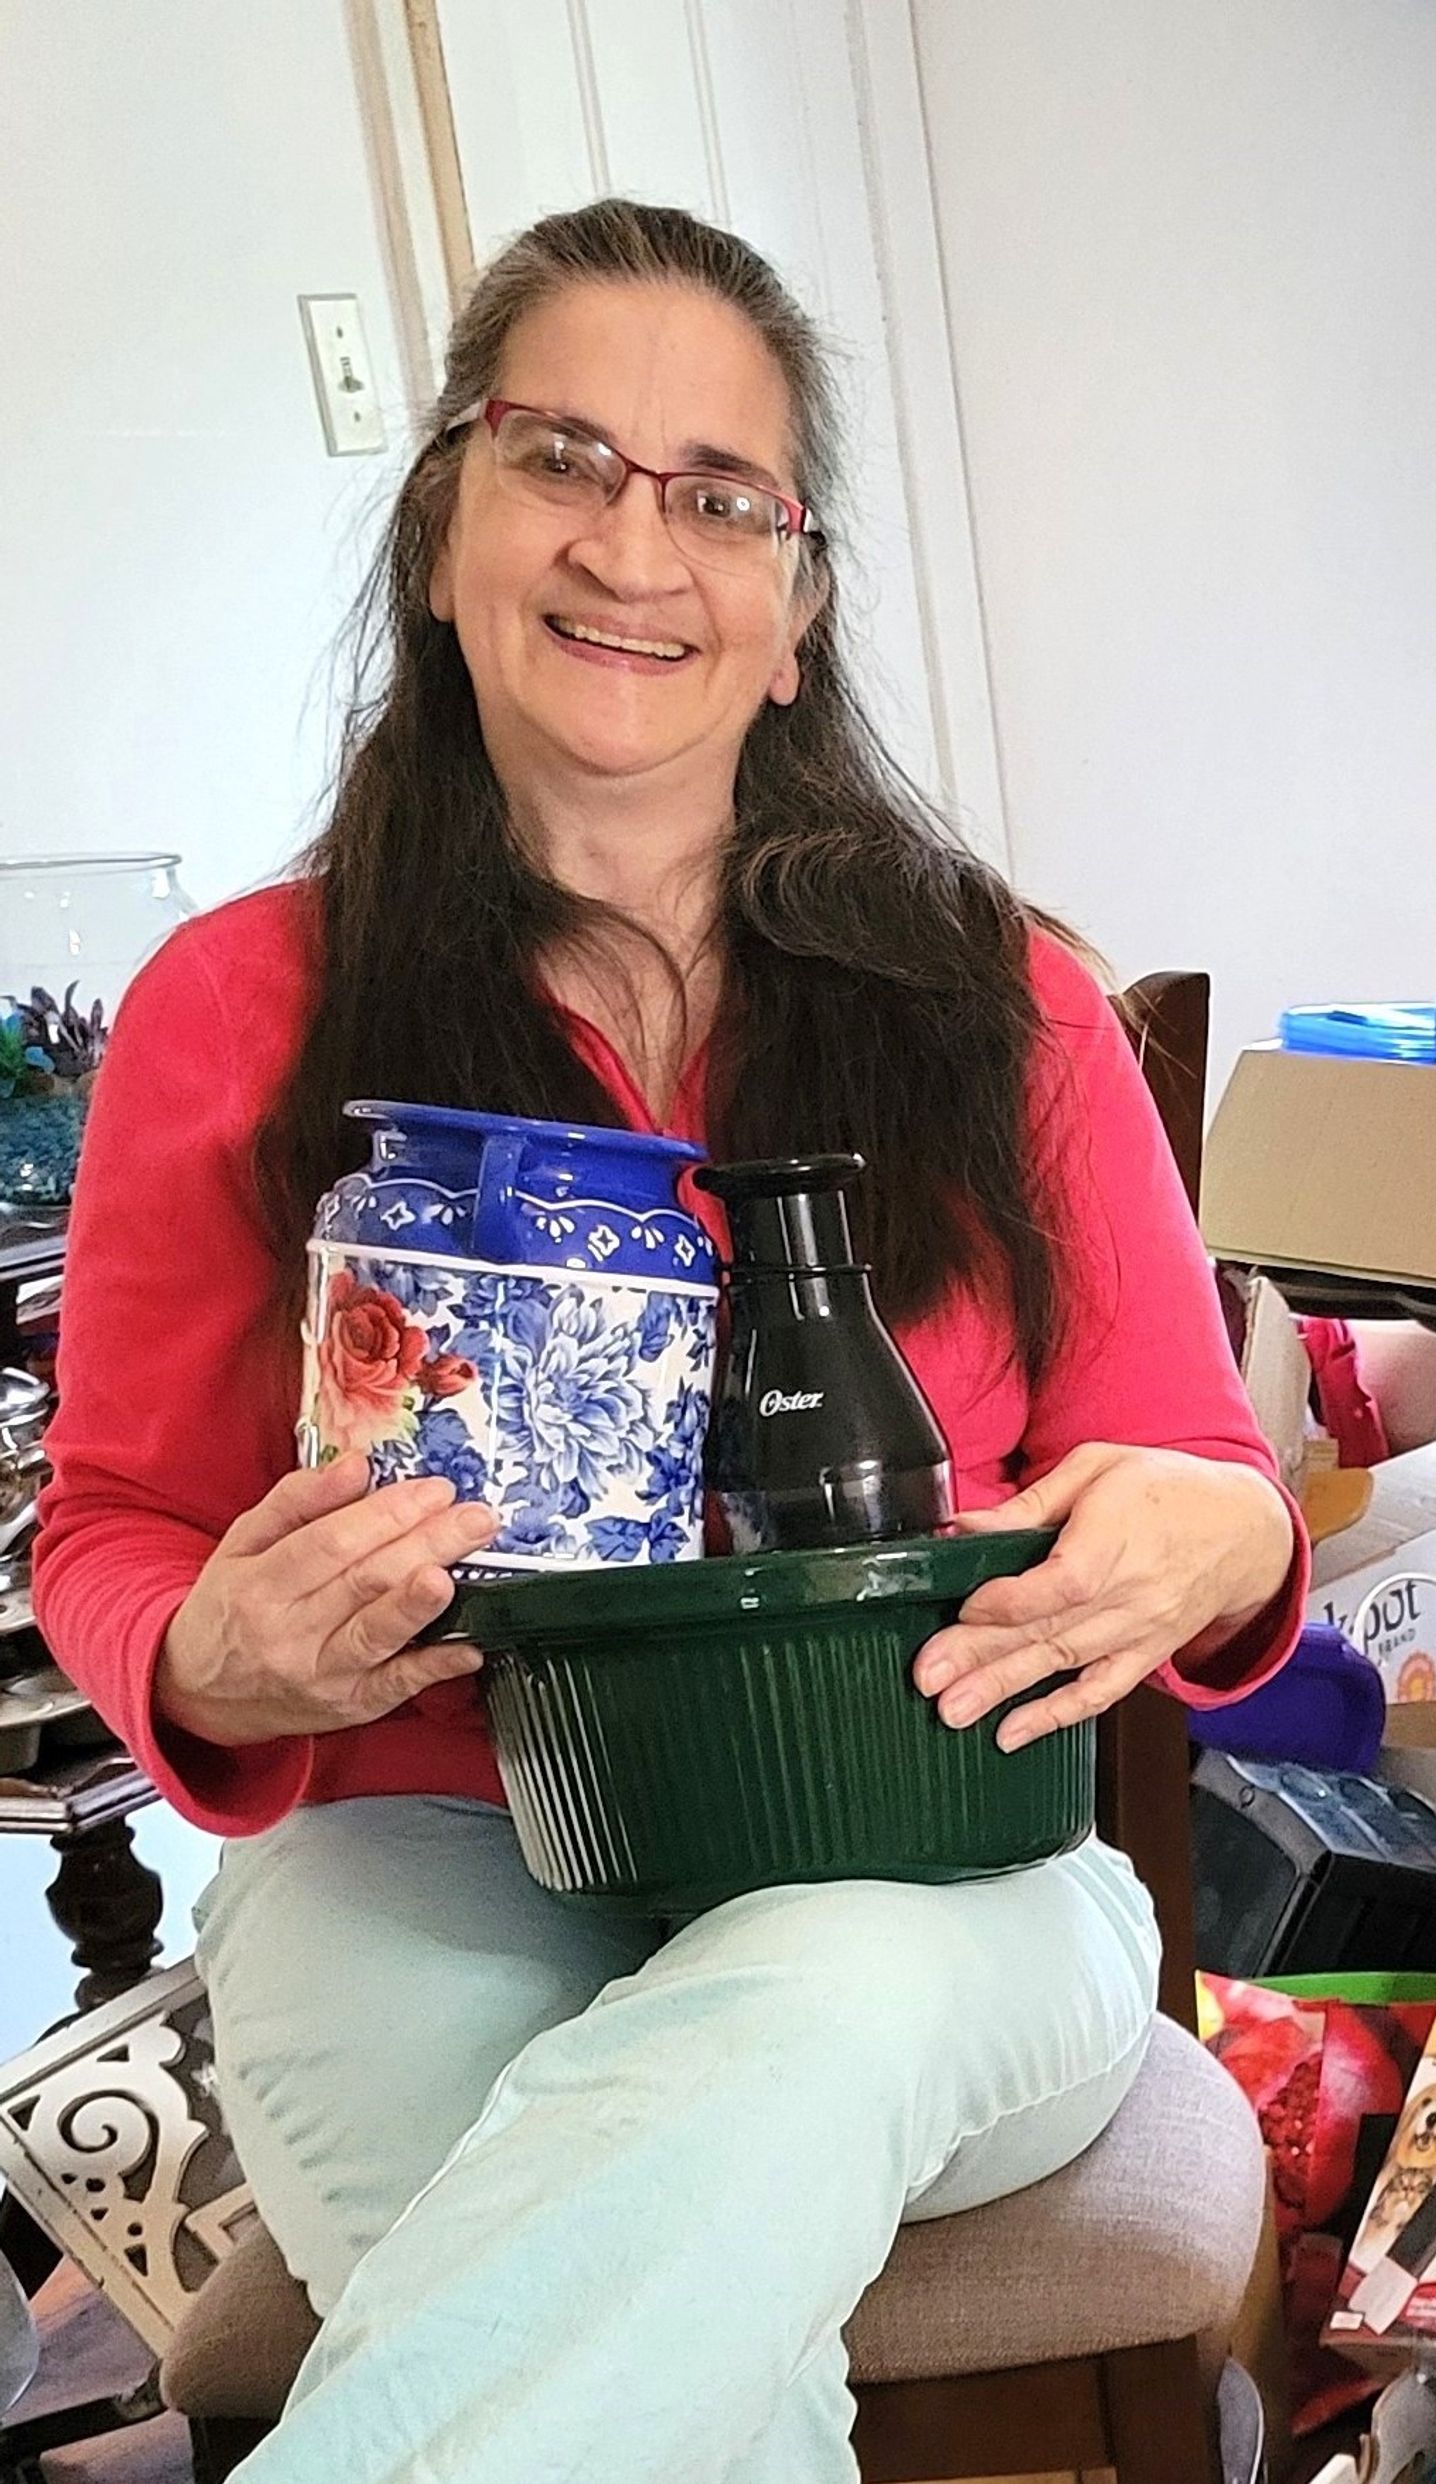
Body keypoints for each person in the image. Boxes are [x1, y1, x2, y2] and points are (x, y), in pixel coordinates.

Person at [32, 199, 1304, 2480]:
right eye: (564, 461)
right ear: (442, 533)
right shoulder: (233, 1012)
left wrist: (1203, 1536)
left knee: (726, 2090)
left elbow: (1190, 1467)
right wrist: (220, 1654)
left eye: (724, 497)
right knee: (624, 2333)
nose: (640, 544)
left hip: (928, 1876)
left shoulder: (997, 1001)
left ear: (795, 613)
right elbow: (117, 1530)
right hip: (415, 1854)